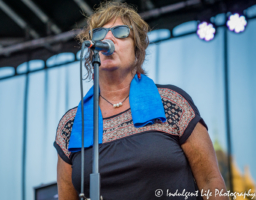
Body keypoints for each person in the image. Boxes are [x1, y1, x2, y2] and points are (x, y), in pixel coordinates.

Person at [54, 2, 228, 200]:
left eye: (120, 32)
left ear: (137, 51)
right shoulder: (71, 124)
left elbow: (210, 181)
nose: (108, 38)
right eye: (100, 33)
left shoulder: (171, 102)